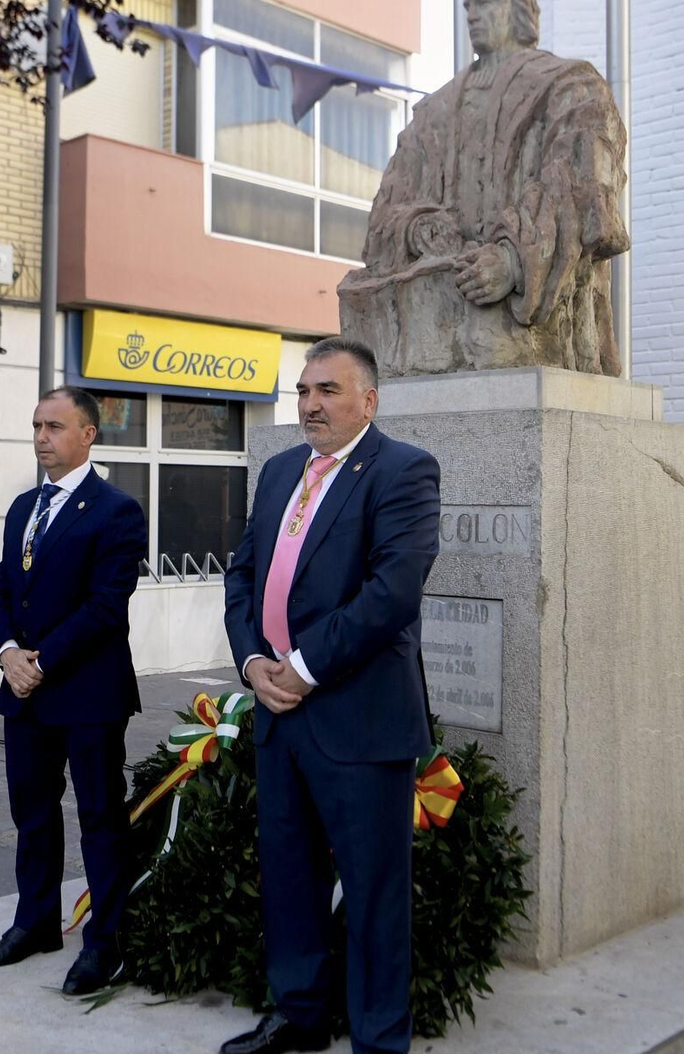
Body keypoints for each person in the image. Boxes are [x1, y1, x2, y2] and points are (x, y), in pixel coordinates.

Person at [220, 338, 441, 1054]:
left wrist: (304, 666)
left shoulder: (403, 471)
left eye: (328, 391)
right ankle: (300, 1013)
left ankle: (379, 1039)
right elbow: (242, 574)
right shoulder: (281, 469)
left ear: (368, 401)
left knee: (374, 893)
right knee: (289, 874)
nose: (311, 404)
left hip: (358, 719)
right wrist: (254, 660)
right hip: (278, 714)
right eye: (304, 390)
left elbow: (392, 593)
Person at [338, 0, 628, 377]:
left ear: (520, 10)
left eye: (486, 2)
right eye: (467, 5)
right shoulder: (435, 110)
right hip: (440, 302)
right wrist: (418, 228)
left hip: (533, 321)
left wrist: (515, 259)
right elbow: (386, 211)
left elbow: (581, 186)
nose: (472, 14)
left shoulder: (571, 86)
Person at [0, 387, 146, 997]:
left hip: (88, 693)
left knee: (100, 818)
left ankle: (106, 943)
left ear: (88, 434)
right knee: (33, 815)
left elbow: (105, 606)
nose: (42, 436)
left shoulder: (116, 510)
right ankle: (36, 924)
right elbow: (0, 594)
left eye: (54, 426)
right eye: (36, 425)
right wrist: (6, 655)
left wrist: (40, 659)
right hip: (25, 693)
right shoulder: (23, 507)